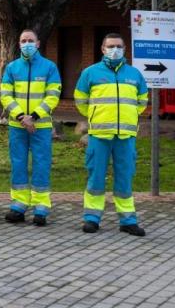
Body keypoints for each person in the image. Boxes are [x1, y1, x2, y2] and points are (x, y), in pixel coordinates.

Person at [74, 33, 149, 237]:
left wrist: (130, 115)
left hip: (125, 136)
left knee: (124, 178)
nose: (114, 49)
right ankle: (91, 218)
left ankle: (128, 220)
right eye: (110, 46)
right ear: (102, 49)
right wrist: (95, 115)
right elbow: (80, 100)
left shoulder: (134, 74)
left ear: (124, 49)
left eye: (118, 46)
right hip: (99, 135)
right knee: (96, 177)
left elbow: (142, 101)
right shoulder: (90, 73)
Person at [0, 29, 61, 226]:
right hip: (17, 126)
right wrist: (20, 116)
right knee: (18, 163)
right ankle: (19, 204)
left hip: (40, 126)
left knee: (41, 164)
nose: (27, 44)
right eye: (23, 40)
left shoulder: (50, 67)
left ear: (38, 43)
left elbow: (53, 96)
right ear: (19, 44)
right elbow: (5, 95)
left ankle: (41, 206)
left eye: (30, 40)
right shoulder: (11, 68)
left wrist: (33, 117)